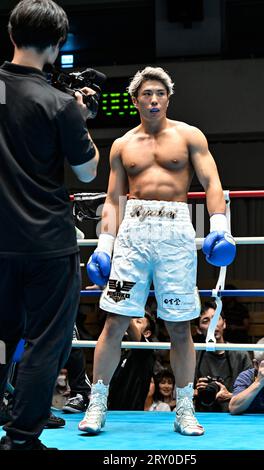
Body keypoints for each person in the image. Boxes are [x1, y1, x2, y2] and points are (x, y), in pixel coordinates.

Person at [80, 66, 236, 436]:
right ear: (135, 100)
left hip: (177, 230)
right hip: (133, 233)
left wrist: (219, 228)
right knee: (115, 320)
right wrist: (105, 244)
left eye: (160, 94)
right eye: (146, 94)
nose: (153, 100)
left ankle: (184, 409)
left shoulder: (189, 136)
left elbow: (212, 181)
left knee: (180, 326)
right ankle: (97, 405)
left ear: (168, 98)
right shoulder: (122, 145)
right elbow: (115, 200)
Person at [0, 0, 99, 450]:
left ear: (11, 33)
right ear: (58, 44)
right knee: (43, 341)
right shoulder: (59, 103)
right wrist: (80, 121)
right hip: (45, 243)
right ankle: (22, 438)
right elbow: (86, 172)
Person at [195, 301, 252, 412]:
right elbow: (180, 392)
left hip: (235, 414)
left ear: (224, 324)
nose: (213, 324)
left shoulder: (240, 354)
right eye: (206, 321)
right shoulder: (194, 355)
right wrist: (195, 391)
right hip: (202, 415)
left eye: (216, 318)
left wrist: (230, 395)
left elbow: (252, 392)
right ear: (198, 329)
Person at [108, 312, 156, 410]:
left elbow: (130, 326)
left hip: (132, 414)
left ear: (147, 333)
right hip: (112, 412)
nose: (133, 322)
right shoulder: (123, 352)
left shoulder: (146, 350)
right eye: (132, 319)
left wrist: (125, 308)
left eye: (138, 321)